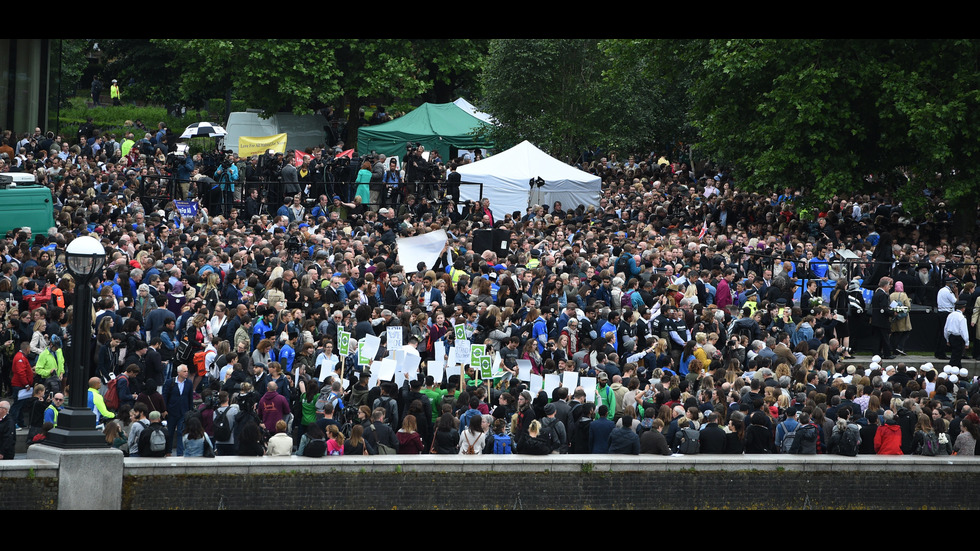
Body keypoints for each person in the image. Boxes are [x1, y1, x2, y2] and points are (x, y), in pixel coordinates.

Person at [163, 365, 194, 456]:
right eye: (184, 371)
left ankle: (180, 453)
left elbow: (190, 398)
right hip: (171, 411)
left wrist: (190, 411)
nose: (186, 373)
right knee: (170, 432)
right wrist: (164, 409)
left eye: (187, 371)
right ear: (179, 372)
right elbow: (164, 396)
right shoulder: (170, 382)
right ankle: (168, 451)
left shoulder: (188, 383)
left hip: (183, 412)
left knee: (181, 432)